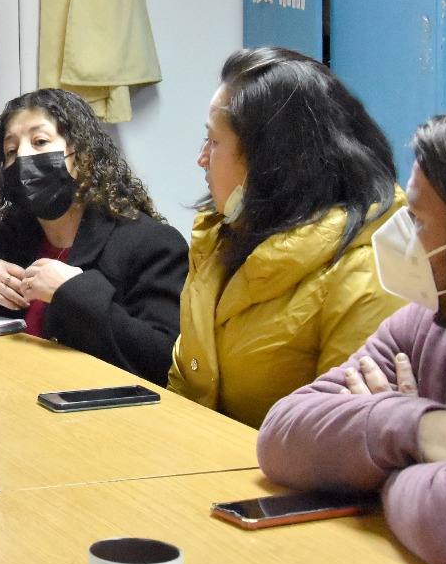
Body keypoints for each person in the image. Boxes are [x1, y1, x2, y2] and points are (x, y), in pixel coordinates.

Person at [258, 110, 446, 564]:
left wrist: (384, 471)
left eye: (420, 223)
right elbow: (280, 437)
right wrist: (418, 426)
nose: (403, 241)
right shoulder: (424, 323)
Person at [167, 47, 405, 428]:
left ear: (270, 158)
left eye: (214, 142)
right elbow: (187, 380)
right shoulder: (220, 236)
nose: (201, 158)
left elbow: (344, 439)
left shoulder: (366, 269)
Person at [0, 89, 187, 386]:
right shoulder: (13, 235)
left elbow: (162, 360)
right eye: (11, 151)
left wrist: (72, 291)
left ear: (83, 155)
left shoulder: (151, 243)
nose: (23, 156)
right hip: (15, 405)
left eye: (40, 142)